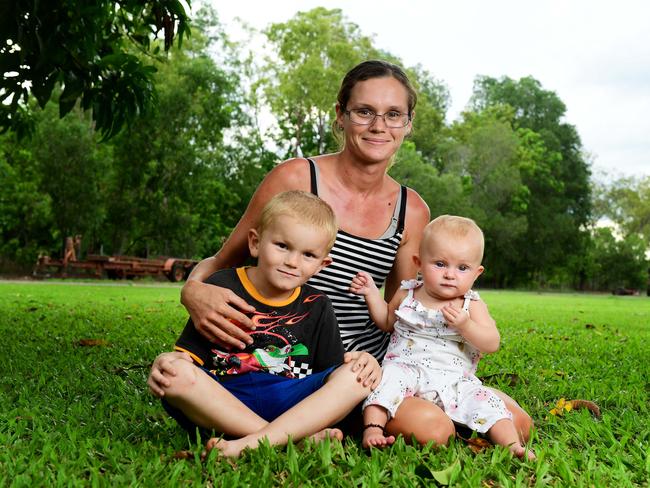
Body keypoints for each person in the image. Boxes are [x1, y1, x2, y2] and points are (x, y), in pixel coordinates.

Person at [148, 59, 533, 445]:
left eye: (393, 114)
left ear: (408, 124)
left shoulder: (411, 209)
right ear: (341, 115)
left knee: (519, 425)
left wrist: (453, 355)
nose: (378, 126)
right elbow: (223, 260)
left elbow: (405, 306)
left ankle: (428, 401)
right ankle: (286, 434)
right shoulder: (296, 178)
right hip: (286, 360)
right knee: (434, 432)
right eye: (364, 111)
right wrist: (192, 290)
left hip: (364, 368)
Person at [156, 191, 381, 458]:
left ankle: (250, 443)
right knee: (172, 373)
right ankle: (288, 442)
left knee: (359, 376)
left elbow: (329, 375)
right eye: (282, 246)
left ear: (322, 265)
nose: (292, 262)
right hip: (226, 397)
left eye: (308, 255)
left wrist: (363, 360)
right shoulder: (222, 286)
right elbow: (188, 358)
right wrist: (170, 361)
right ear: (255, 242)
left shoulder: (318, 305)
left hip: (291, 401)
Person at [350, 215, 535, 459]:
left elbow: (492, 343)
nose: (450, 274)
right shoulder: (408, 293)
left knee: (486, 402)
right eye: (440, 264)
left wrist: (465, 325)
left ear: (476, 273)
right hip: (407, 369)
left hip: (455, 380)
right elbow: (386, 322)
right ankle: (372, 429)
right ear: (419, 262)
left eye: (462, 268)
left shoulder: (471, 305)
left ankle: (512, 446)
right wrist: (372, 294)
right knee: (388, 383)